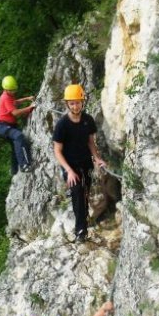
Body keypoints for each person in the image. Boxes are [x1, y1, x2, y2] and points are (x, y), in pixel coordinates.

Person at [52, 83, 107, 241]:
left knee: (84, 195)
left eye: (77, 102)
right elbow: (57, 150)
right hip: (70, 166)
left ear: (83, 102)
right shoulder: (62, 125)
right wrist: (68, 171)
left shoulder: (88, 120)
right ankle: (80, 232)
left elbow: (90, 142)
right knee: (77, 194)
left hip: (85, 164)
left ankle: (83, 223)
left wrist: (97, 159)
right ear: (67, 104)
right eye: (72, 103)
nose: (75, 106)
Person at [0, 75, 36, 175]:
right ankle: (24, 165)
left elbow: (15, 102)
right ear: (6, 89)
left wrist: (27, 98)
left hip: (8, 125)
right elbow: (15, 113)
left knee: (15, 146)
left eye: (14, 89)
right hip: (3, 126)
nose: (14, 92)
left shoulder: (8, 95)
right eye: (12, 90)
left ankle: (14, 170)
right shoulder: (5, 97)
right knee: (19, 136)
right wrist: (30, 108)